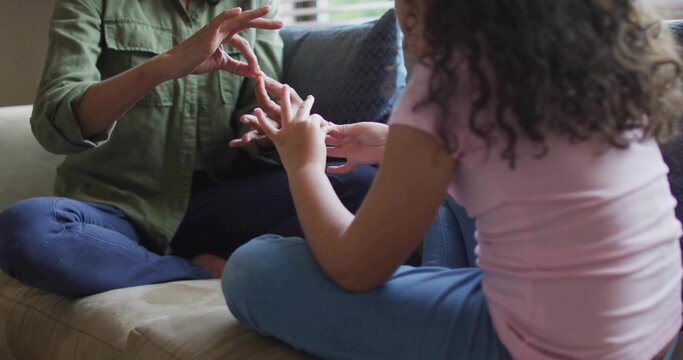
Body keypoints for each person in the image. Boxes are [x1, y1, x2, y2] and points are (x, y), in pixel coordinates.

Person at [221, 0, 683, 359]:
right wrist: (392, 145)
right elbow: (529, 175)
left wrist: (301, 164)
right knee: (437, 199)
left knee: (252, 267)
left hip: (549, 348)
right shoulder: (593, 53)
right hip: (657, 331)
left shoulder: (447, 83)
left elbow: (354, 269)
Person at [0, 0, 376, 298]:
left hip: (214, 209)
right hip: (114, 210)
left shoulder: (252, 4)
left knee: (362, 184)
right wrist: (162, 66)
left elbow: (254, 110)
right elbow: (54, 124)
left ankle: (157, 265)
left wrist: (275, 132)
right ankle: (198, 271)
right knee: (26, 230)